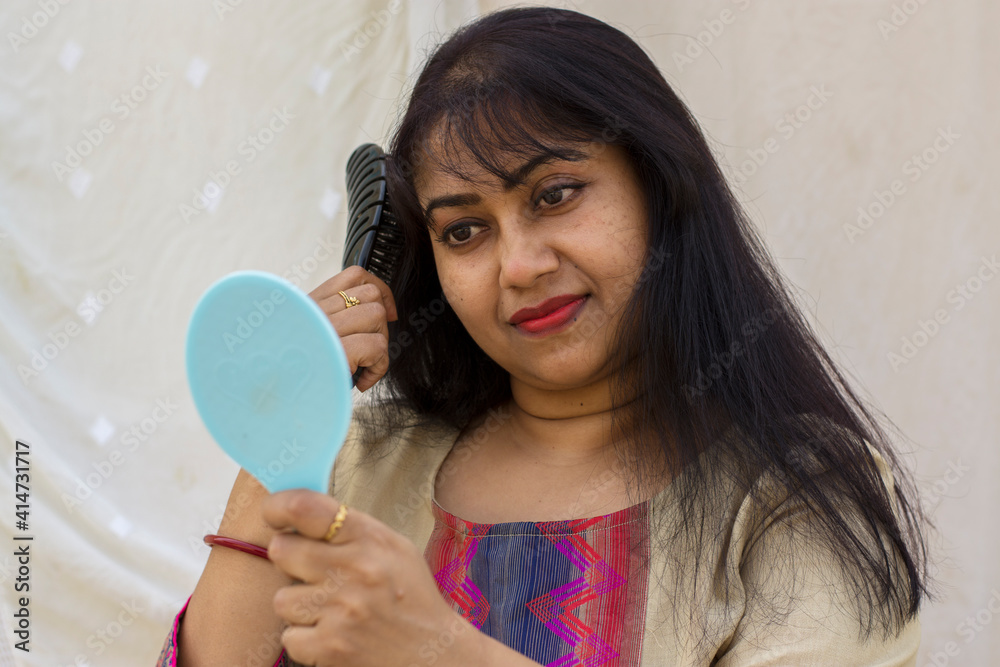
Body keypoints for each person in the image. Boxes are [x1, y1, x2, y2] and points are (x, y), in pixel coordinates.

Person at [157, 6, 931, 666]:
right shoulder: (355, 464)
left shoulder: (794, 498)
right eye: (464, 231)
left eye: (554, 194)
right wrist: (282, 424)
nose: (519, 266)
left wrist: (441, 648)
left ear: (659, 188)